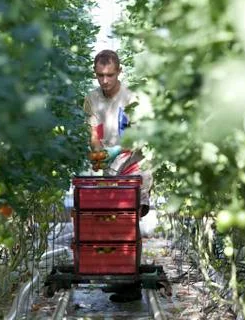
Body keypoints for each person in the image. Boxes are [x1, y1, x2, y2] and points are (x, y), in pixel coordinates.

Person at [83, 49, 153, 302]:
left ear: (119, 72)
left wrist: (117, 150)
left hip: (134, 168)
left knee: (129, 223)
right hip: (111, 172)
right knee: (111, 223)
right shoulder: (92, 98)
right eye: (100, 75)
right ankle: (120, 278)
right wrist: (98, 152)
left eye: (109, 75)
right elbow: (94, 131)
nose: (104, 80)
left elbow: (141, 137)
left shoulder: (132, 98)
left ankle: (131, 283)